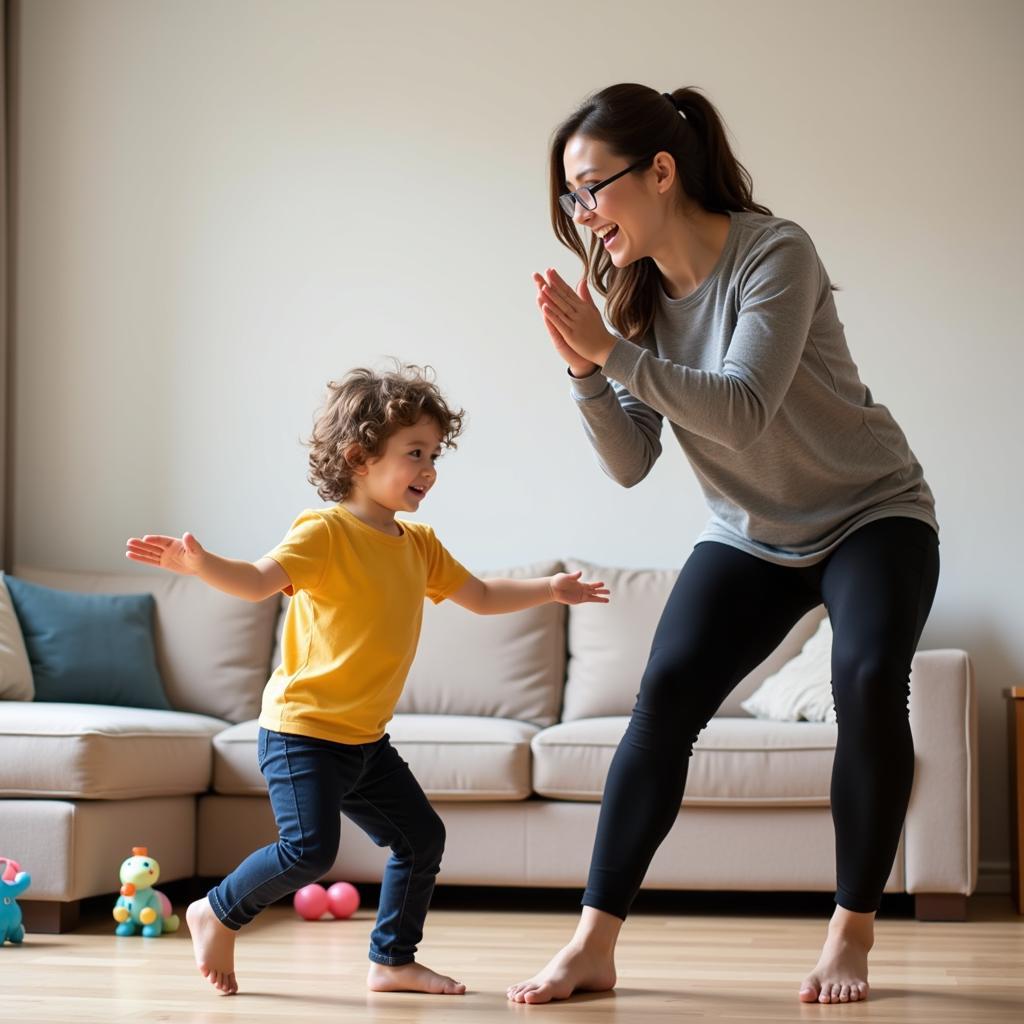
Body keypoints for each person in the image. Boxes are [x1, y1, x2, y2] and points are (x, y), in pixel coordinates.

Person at [507, 83, 939, 1007]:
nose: (583, 215)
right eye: (570, 200)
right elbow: (630, 463)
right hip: (750, 532)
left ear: (661, 171)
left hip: (873, 511)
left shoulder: (774, 253)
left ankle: (851, 931)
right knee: (662, 697)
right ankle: (593, 942)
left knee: (864, 679)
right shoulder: (635, 300)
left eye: (593, 189)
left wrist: (613, 356)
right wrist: (587, 367)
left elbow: (743, 412)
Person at [126, 363, 608, 997]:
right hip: (302, 732)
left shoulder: (419, 545)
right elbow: (255, 582)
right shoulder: (324, 533)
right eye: (415, 453)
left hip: (364, 741)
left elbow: (484, 595)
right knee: (309, 852)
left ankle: (392, 961)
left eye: (435, 454)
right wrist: (199, 563)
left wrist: (550, 588)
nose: (430, 468)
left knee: (421, 839)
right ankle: (215, 910)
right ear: (358, 456)